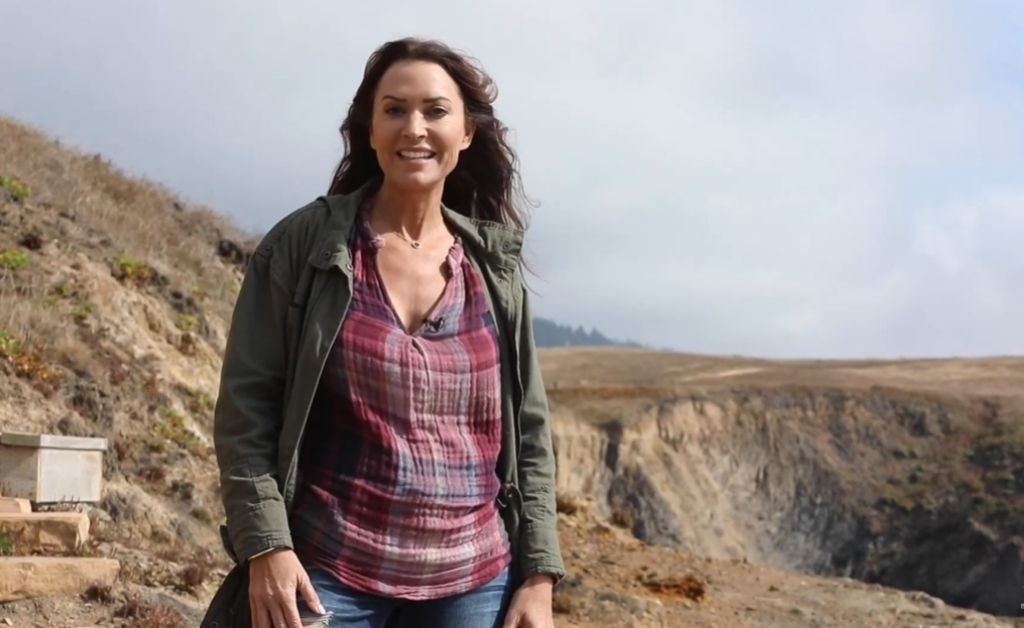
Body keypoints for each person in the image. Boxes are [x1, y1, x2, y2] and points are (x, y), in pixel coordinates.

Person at [211, 37, 564, 628]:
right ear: (369, 131)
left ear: (467, 132)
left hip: (475, 585)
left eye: (435, 110)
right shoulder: (306, 249)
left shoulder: (492, 268)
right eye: (394, 110)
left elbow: (529, 434)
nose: (414, 128)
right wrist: (266, 546)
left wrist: (538, 575)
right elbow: (248, 409)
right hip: (328, 573)